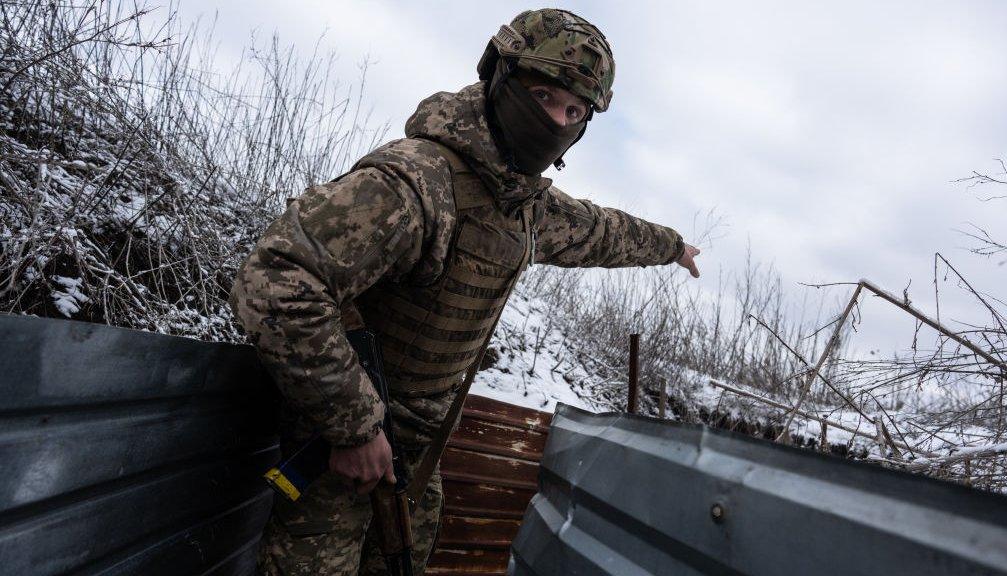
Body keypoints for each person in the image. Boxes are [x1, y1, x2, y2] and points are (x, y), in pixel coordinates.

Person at [230, 8, 701, 576]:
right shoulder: (415, 183)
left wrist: (672, 247)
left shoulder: (523, 209)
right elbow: (278, 282)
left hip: (413, 468)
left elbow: (603, 233)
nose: (556, 120)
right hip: (339, 459)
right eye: (545, 95)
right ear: (501, 78)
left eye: (574, 111)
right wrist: (354, 427)